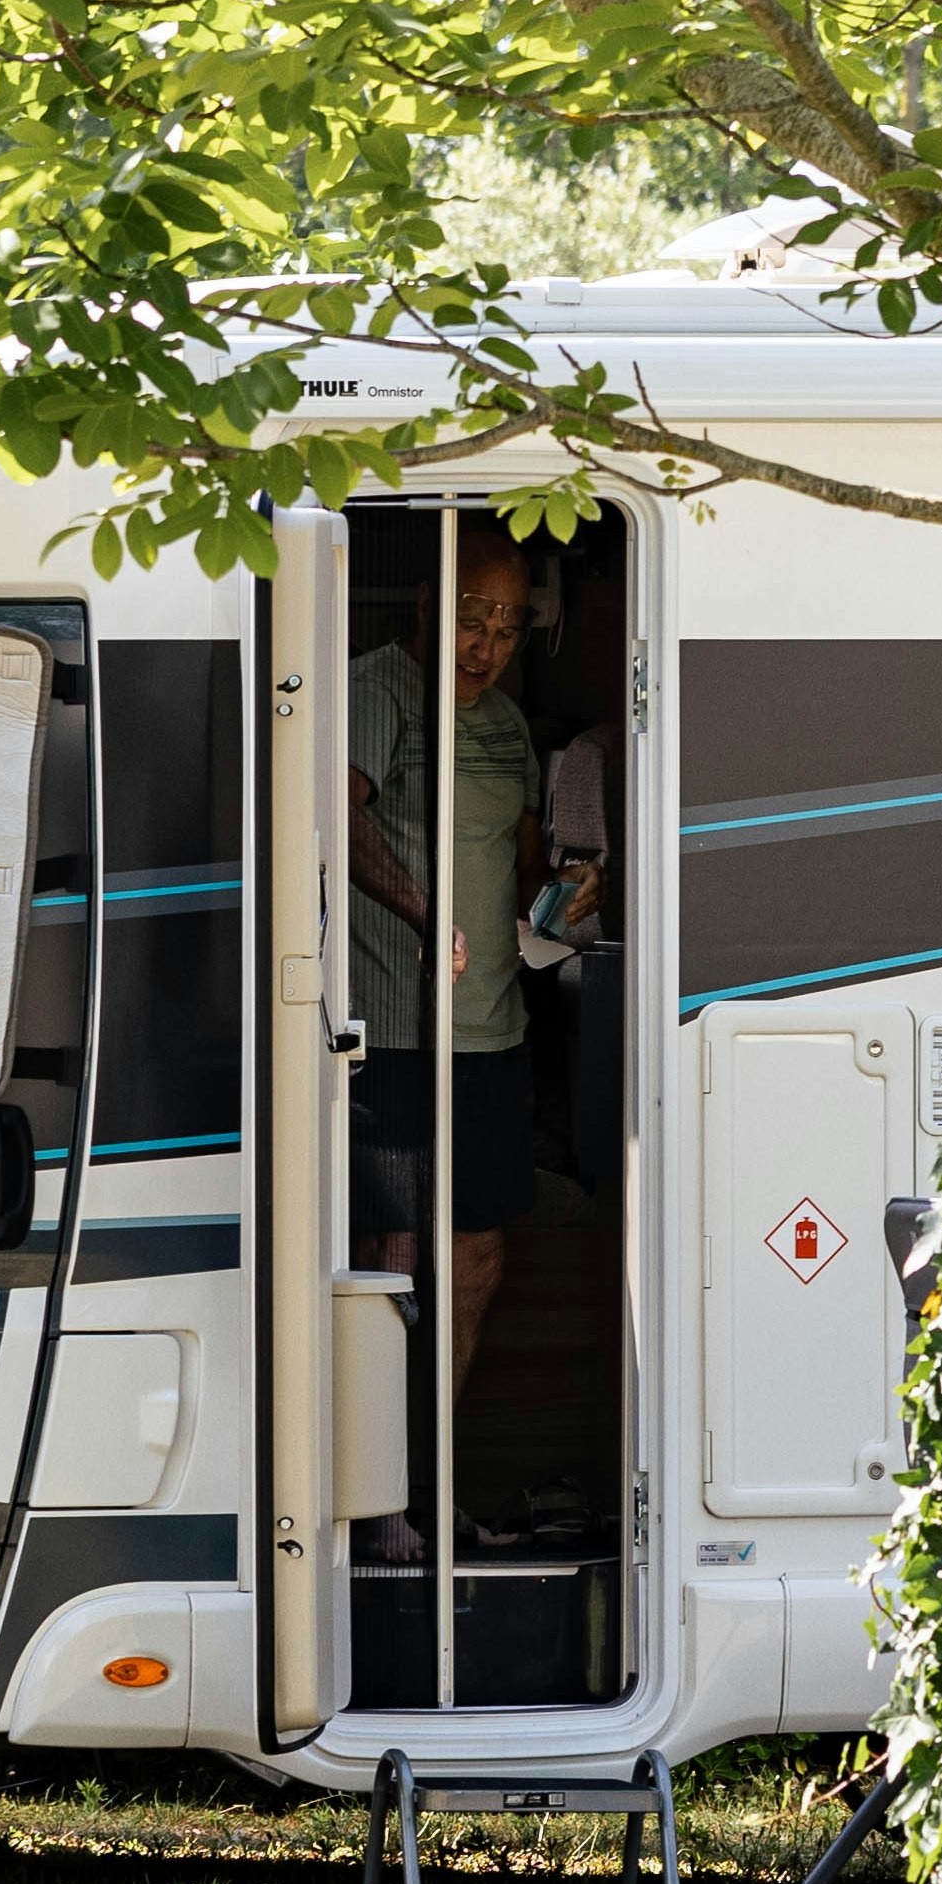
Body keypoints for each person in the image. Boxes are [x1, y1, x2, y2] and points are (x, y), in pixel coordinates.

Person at [344, 518, 592, 1559]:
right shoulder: (373, 691)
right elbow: (337, 821)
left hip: (490, 1031)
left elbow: (524, 864)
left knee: (478, 1257)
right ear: (423, 609)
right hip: (396, 1023)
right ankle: (371, 1495)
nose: (484, 644)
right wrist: (418, 910)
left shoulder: (503, 723)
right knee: (395, 1257)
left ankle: (424, 1476)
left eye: (504, 624)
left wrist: (567, 897)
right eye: (469, 618)